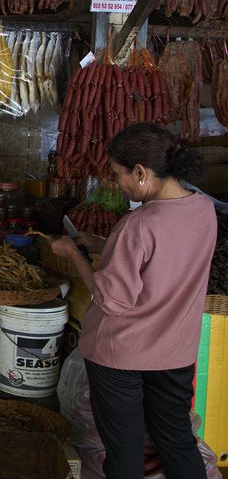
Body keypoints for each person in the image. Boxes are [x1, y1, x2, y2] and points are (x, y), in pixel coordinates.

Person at [49, 123, 217, 479]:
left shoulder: (137, 224)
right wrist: (102, 243)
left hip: (121, 355)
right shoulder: (203, 208)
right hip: (175, 351)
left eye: (118, 174)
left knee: (124, 449)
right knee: (176, 439)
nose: (118, 183)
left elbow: (111, 299)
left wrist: (72, 253)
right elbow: (167, 256)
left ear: (141, 172)